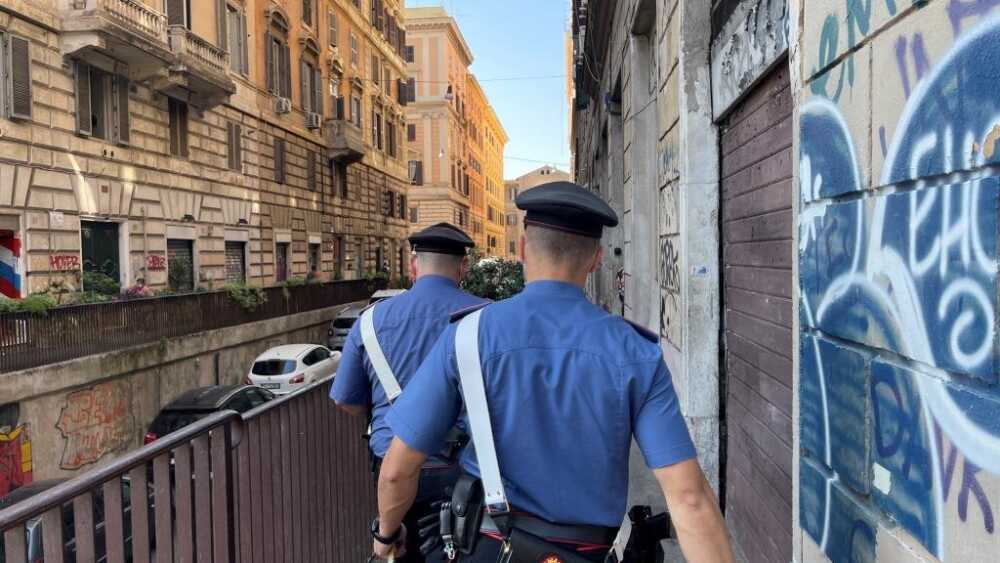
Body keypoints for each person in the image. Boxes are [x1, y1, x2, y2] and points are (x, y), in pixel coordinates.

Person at [370, 181, 734, 562]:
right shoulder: (635, 352)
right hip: (588, 552)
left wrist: (386, 538)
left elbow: (397, 469)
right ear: (595, 259)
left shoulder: (467, 337)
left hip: (488, 548)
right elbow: (689, 498)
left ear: (524, 248)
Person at [330, 222, 488, 562]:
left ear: (414, 265)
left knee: (400, 549)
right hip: (471, 469)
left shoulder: (369, 322)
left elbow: (346, 401)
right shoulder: (488, 317)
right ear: (463, 267)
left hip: (394, 472)